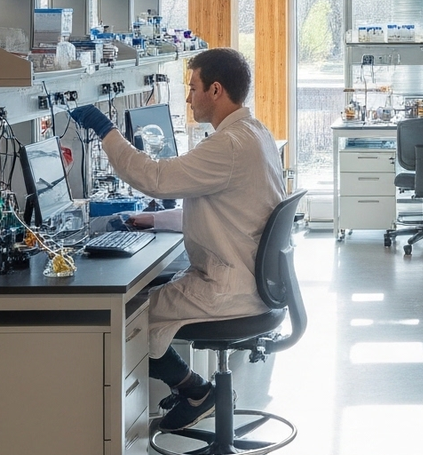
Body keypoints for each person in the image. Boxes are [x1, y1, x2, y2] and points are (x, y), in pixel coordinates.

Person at [69, 47, 281, 431]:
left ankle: (197, 391)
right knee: (145, 296)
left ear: (215, 90)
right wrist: (151, 218)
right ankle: (195, 390)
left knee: (124, 320)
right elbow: (225, 212)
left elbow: (156, 177)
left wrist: (106, 131)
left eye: (192, 86)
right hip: (251, 277)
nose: (188, 97)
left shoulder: (228, 145)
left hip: (229, 286)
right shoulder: (255, 132)